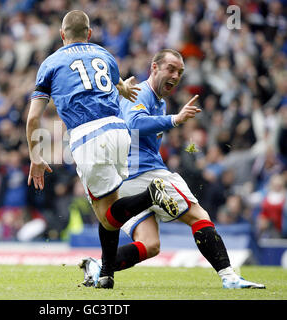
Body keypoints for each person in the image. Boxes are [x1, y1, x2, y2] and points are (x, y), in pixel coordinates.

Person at [80, 48, 265, 289]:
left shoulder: (160, 102)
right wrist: (175, 120)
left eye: (180, 72)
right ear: (154, 67)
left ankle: (99, 266)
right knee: (199, 215)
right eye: (171, 69)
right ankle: (229, 276)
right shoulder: (141, 92)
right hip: (147, 174)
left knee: (149, 245)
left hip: (125, 180)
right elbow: (134, 123)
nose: (176, 76)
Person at [26, 10, 172, 289]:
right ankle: (106, 274)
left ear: (61, 35)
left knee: (106, 215)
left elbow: (33, 118)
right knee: (111, 213)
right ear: (89, 34)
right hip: (119, 132)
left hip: (88, 136)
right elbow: (116, 86)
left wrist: (35, 156)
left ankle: (151, 194)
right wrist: (125, 91)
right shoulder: (105, 55)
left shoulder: (51, 63)